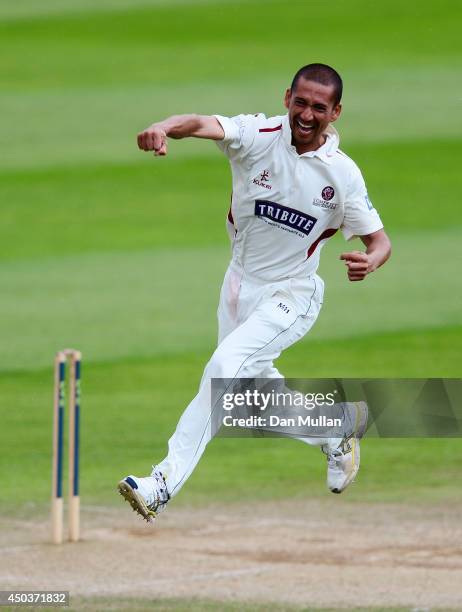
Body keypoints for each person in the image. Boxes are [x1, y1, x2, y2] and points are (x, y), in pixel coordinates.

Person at [118, 63, 391, 521]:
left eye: (319, 108)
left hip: (293, 294)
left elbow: (379, 240)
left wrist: (371, 260)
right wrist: (164, 126)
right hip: (238, 287)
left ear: (336, 113)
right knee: (252, 404)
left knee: (224, 369)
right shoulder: (257, 134)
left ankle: (161, 484)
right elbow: (204, 124)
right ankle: (335, 428)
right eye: (300, 102)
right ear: (287, 98)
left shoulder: (342, 176)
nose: (307, 114)